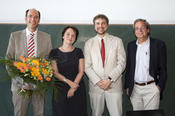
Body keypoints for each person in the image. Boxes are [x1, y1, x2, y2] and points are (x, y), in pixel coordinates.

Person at [6, 8, 52, 116]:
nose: (33, 19)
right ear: (26, 18)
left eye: (36, 17)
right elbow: (9, 60)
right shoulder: (15, 36)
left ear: (39, 20)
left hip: (39, 85)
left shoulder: (46, 37)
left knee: (39, 113)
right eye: (30, 16)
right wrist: (19, 81)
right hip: (19, 86)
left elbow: (49, 61)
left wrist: (42, 78)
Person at [84, 14, 126, 116]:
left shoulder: (117, 41)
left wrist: (109, 79)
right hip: (96, 88)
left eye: (103, 23)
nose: (100, 26)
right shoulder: (89, 43)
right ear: (94, 25)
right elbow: (87, 66)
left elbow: (122, 63)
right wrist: (99, 82)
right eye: (97, 23)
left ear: (107, 25)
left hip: (113, 86)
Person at [124, 18, 167, 110]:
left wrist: (159, 87)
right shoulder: (131, 46)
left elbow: (163, 69)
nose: (139, 31)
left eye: (142, 28)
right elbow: (129, 67)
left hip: (152, 88)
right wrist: (128, 85)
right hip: (135, 89)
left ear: (148, 30)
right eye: (136, 28)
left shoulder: (158, 44)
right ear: (134, 31)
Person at [49, 26, 88, 116]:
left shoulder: (78, 51)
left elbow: (81, 71)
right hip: (60, 89)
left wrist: (73, 87)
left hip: (77, 87)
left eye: (73, 35)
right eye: (68, 34)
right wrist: (70, 83)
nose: (70, 37)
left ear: (75, 39)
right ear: (63, 36)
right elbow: (55, 72)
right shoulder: (54, 52)